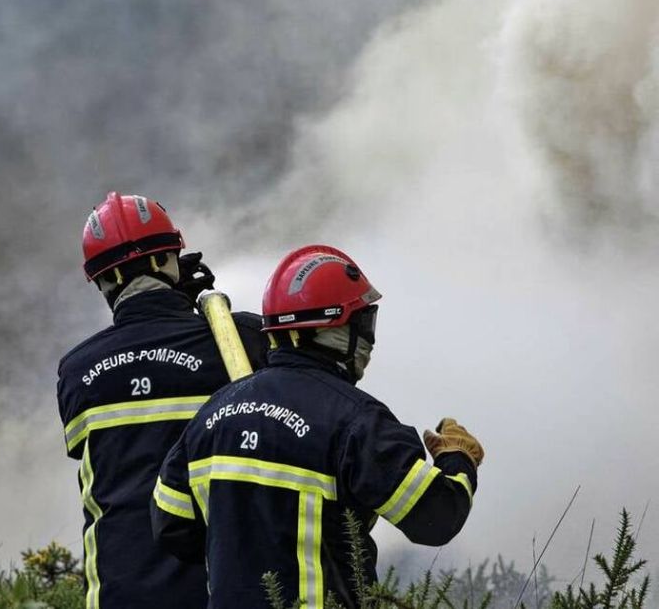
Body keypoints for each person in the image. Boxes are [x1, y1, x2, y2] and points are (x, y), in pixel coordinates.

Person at [152, 244, 484, 609]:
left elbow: (173, 527)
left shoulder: (212, 414)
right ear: (335, 328)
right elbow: (435, 518)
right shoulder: (358, 422)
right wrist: (459, 460)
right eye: (364, 322)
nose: (369, 338)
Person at [56, 192, 267, 609]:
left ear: (101, 281)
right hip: (218, 588)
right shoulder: (240, 341)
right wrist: (186, 307)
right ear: (171, 258)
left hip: (119, 593)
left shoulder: (76, 371)